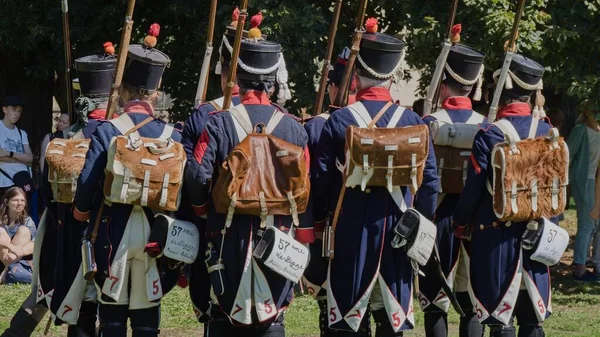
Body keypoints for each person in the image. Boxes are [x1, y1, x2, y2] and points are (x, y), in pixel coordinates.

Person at [312, 23, 439, 336]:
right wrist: (418, 222)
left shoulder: (340, 119)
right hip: (399, 232)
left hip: (350, 233)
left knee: (346, 319)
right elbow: (430, 183)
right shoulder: (414, 122)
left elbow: (323, 180)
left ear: (355, 78)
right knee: (390, 321)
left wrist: (321, 222)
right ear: (392, 77)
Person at [186, 34, 310, 336]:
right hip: (278, 232)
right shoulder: (294, 127)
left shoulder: (218, 122)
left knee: (223, 311)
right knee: (273, 313)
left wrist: (205, 211)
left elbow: (197, 176)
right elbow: (305, 185)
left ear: (237, 77)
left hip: (226, 234)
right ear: (271, 80)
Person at [73, 25, 181, 337]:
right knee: (147, 315)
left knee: (113, 313)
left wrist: (81, 213)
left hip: (112, 227)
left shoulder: (108, 130)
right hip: (156, 231)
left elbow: (88, 181)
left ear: (122, 91)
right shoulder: (173, 133)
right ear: (155, 92)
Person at [454, 54, 554, 337]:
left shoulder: (489, 133)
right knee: (531, 319)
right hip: (537, 236)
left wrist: (460, 224)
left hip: (497, 238)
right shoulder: (548, 131)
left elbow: (473, 190)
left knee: (500, 319)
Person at [302, 46, 372, 337]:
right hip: (377, 228)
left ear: (334, 87)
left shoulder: (322, 124)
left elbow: (315, 180)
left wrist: (315, 225)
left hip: (332, 226)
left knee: (330, 306)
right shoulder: (383, 122)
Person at [419, 43, 485, 337]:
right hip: (474, 222)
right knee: (470, 301)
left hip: (437, 220)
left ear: (444, 87)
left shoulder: (428, 124)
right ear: (472, 88)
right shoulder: (489, 127)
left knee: (435, 300)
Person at [566, 100, 600, 281]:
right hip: (585, 182)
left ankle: (597, 264)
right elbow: (567, 157)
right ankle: (579, 268)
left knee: (598, 225)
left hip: (598, 183)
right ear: (586, 111)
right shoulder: (581, 130)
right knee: (587, 224)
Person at [0, 187, 35, 284]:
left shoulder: (28, 221)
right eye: (15, 200)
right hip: (2, 257)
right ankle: (6, 271)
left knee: (23, 230)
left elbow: (34, 244)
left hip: (16, 260)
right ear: (7, 202)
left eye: (22, 200)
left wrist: (18, 252)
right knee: (1, 231)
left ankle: (6, 270)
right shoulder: (0, 218)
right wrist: (11, 246)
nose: (19, 203)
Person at [0, 96, 33, 199]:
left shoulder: (21, 133)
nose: (17, 114)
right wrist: (22, 159)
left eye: (19, 111)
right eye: (13, 110)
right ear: (5, 109)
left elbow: (30, 158)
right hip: (5, 182)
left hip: (22, 181)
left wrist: (9, 153)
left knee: (22, 213)